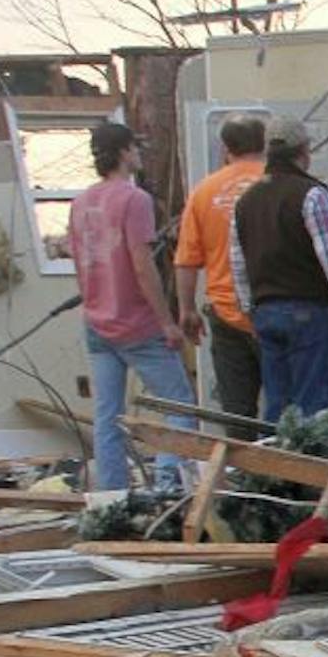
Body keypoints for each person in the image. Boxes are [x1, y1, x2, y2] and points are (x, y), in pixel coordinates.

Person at [70, 122, 197, 491]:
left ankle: (111, 497)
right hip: (137, 323)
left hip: (96, 322)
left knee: (107, 415)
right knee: (179, 405)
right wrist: (167, 323)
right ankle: (168, 488)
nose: (139, 153)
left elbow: (80, 264)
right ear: (124, 152)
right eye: (135, 147)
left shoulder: (81, 203)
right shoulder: (133, 199)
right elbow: (143, 266)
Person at [228, 116, 328, 422]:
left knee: (277, 409)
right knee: (315, 411)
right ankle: (313, 469)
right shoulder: (312, 195)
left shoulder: (245, 202)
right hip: (312, 314)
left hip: (266, 313)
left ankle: (275, 468)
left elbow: (238, 263)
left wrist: (249, 309)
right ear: (304, 150)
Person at [175, 115, 266, 420]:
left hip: (227, 313)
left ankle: (243, 468)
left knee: (238, 413)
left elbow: (186, 261)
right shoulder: (279, 183)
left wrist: (186, 309)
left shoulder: (204, 192)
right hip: (276, 309)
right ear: (264, 143)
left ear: (225, 147)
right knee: (287, 409)